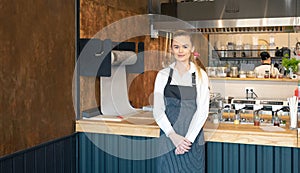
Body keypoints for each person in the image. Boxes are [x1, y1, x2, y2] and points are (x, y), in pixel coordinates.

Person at [153, 30, 210, 173]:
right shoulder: (163, 75)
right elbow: (158, 109)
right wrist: (173, 136)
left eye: (185, 46)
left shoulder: (200, 75)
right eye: (176, 47)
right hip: (168, 136)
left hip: (192, 139)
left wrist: (187, 140)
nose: (180, 51)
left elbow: (202, 110)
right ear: (171, 49)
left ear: (192, 49)